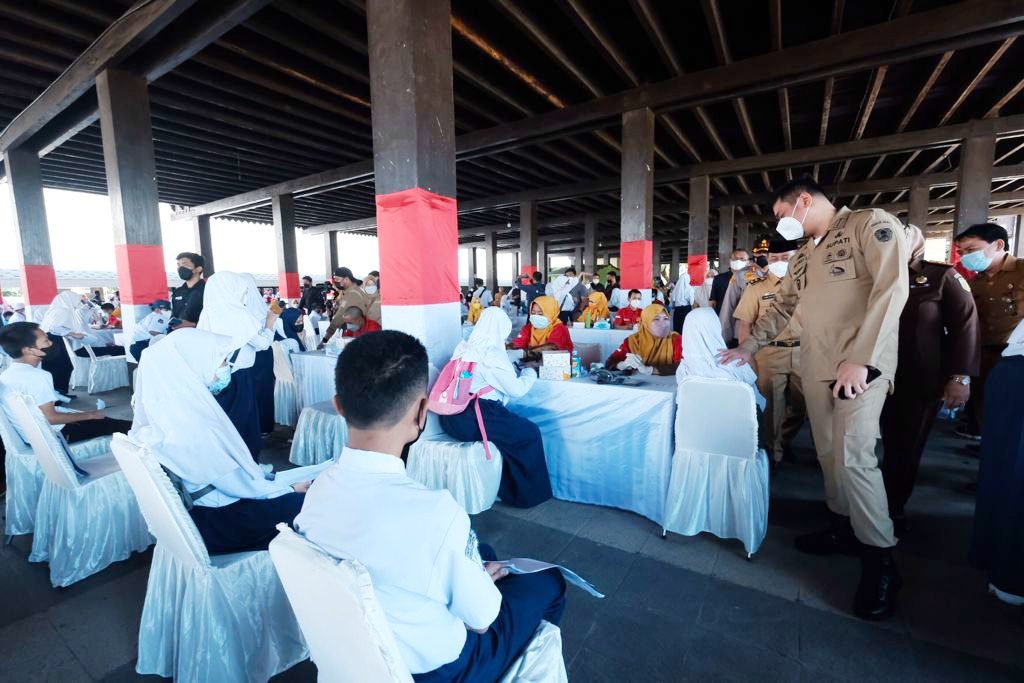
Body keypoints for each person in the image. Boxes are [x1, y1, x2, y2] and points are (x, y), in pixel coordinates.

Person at [293, 330, 566, 680]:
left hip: (354, 657)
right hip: (444, 670)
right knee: (549, 583)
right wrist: (481, 583)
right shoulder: (437, 512)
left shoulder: (315, 493)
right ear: (422, 411)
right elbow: (483, 621)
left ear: (339, 406)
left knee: (482, 550)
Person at [721, 176, 908, 620]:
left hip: (862, 368)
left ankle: (881, 561)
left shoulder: (869, 226)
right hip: (818, 367)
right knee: (828, 454)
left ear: (804, 201)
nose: (782, 225)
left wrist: (862, 359)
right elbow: (782, 307)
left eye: (783, 215)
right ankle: (841, 528)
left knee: (854, 459)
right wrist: (748, 346)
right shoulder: (807, 253)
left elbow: (891, 288)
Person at [131, 328, 316, 554]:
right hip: (219, 523)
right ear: (191, 367)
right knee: (314, 504)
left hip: (197, 518)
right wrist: (288, 489)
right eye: (222, 361)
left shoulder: (159, 417)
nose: (227, 368)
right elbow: (238, 486)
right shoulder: (192, 425)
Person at [878, 224, 979, 530]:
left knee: (904, 446)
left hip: (918, 378)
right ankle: (859, 506)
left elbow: (966, 325)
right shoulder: (872, 275)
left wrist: (960, 377)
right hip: (873, 375)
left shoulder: (940, 276)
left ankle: (892, 508)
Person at [440, 308, 553, 508]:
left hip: (452, 417)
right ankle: (525, 496)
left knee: (510, 431)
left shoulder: (465, 348)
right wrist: (530, 372)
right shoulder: (491, 355)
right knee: (529, 433)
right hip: (478, 415)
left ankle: (500, 484)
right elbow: (517, 389)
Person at [733, 239, 805, 467]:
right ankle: (773, 455)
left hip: (805, 352)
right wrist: (749, 358)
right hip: (769, 354)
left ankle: (784, 440)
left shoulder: (809, 285)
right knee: (772, 407)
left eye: (785, 258)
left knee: (802, 405)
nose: (779, 262)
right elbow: (744, 325)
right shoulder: (757, 288)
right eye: (774, 258)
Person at [0, 323, 132, 444]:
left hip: (30, 435)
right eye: (46, 341)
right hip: (55, 435)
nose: (51, 343)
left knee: (105, 420)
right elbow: (50, 418)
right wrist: (91, 415)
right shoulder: (38, 376)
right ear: (28, 350)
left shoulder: (7, 374)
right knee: (122, 426)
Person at [970, 318, 1024, 606]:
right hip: (1015, 368)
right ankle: (1007, 574)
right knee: (1008, 477)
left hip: (1013, 368)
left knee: (1008, 477)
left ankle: (1002, 569)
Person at [198, 272, 279, 459]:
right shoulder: (237, 314)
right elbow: (262, 344)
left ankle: (228, 465)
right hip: (240, 375)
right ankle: (249, 468)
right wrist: (269, 323)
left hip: (218, 376)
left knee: (225, 422)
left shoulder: (207, 312)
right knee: (244, 423)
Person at [954, 223, 1024, 432]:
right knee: (986, 410)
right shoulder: (974, 282)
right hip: (984, 357)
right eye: (961, 252)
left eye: (971, 250)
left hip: (1016, 358)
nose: (965, 256)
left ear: (998, 244)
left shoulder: (1021, 270)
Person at [677, 308, 765, 410]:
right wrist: (749, 358)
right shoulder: (734, 363)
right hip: (737, 422)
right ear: (715, 327)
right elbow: (754, 382)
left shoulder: (684, 369)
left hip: (699, 423)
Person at [607, 304, 682, 376]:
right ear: (646, 323)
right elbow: (609, 363)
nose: (663, 324)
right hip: (639, 388)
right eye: (656, 319)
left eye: (666, 319)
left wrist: (651, 370)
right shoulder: (633, 341)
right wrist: (624, 364)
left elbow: (683, 365)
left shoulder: (675, 339)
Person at [320, 267, 379, 345]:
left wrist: (325, 339)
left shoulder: (352, 294)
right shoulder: (358, 288)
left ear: (346, 279)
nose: (335, 282)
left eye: (338, 280)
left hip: (366, 328)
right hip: (362, 326)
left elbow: (338, 318)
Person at [720, 252, 767, 346]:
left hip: (773, 334)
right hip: (745, 331)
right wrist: (725, 337)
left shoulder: (786, 274)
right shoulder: (741, 274)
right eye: (759, 252)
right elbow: (728, 305)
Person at [507, 296, 573, 360]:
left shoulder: (560, 329)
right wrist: (505, 348)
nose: (536, 316)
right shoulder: (529, 327)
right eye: (533, 313)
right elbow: (518, 343)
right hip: (532, 364)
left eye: (540, 313)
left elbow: (552, 348)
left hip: (556, 367)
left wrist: (524, 353)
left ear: (551, 313)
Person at [170, 252, 207, 329]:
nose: (180, 268)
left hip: (201, 334)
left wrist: (193, 324)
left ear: (198, 269)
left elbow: (215, 316)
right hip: (177, 335)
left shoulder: (208, 290)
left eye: (184, 264)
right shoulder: (177, 292)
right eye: (178, 265)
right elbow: (173, 315)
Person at [709, 250, 750, 315]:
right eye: (735, 258)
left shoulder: (752, 279)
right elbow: (712, 302)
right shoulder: (718, 279)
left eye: (742, 259)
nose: (738, 261)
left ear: (748, 262)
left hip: (745, 317)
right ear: (730, 261)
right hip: (722, 317)